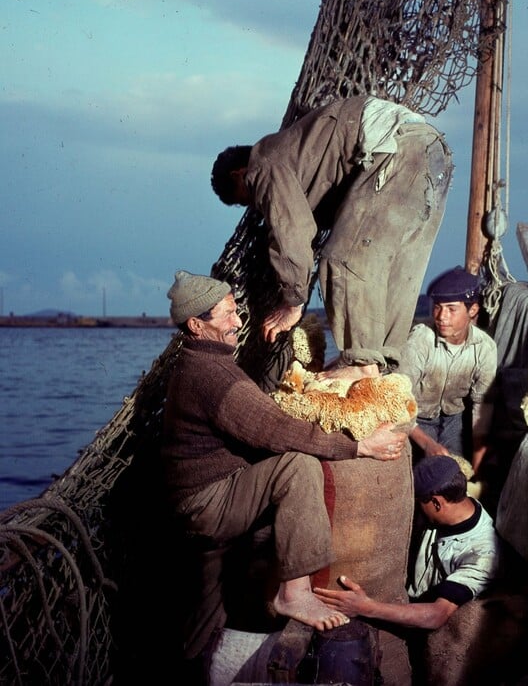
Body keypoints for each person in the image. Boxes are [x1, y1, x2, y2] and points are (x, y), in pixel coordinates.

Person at [160, 270, 408, 650]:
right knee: (297, 466)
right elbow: (277, 429)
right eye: (227, 314)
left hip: (194, 503)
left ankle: (199, 665)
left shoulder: (199, 362)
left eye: (235, 311)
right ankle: (294, 592)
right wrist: (358, 447)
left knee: (203, 625)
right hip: (208, 503)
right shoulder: (211, 375)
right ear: (196, 324)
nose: (237, 322)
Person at [211, 95, 452, 381]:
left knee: (342, 260)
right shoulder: (297, 152)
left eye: (245, 198)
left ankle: (361, 361)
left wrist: (293, 301)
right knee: (395, 270)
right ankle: (382, 364)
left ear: (239, 173)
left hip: (397, 149)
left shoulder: (262, 164)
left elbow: (292, 228)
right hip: (433, 152)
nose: (255, 205)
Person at [314, 455, 502, 629]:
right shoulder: (455, 505)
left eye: (419, 502)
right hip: (407, 603)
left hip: (432, 630)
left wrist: (365, 607)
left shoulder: (482, 554)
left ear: (436, 503)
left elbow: (437, 615)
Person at [397, 266, 497, 475]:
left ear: (472, 310)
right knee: (420, 475)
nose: (441, 316)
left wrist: (476, 472)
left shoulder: (485, 348)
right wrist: (426, 444)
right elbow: (399, 400)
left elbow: (482, 413)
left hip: (455, 419)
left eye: (451, 309)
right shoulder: (420, 339)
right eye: (437, 307)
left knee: (456, 474)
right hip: (415, 418)